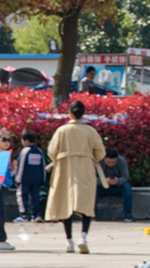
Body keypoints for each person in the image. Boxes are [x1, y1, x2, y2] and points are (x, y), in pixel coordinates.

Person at [45, 99, 106, 254]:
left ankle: (69, 241)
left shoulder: (62, 130)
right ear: (83, 113)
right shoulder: (90, 131)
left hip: (65, 168)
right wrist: (89, 157)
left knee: (66, 203)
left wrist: (58, 160)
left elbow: (52, 151)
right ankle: (83, 237)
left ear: (70, 113)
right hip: (85, 167)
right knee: (86, 202)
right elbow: (100, 152)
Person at [15, 131, 46, 222]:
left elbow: (21, 166)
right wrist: (42, 181)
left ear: (26, 140)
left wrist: (18, 180)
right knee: (35, 197)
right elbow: (42, 167)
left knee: (22, 196)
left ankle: (24, 215)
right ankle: (34, 215)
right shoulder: (39, 151)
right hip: (37, 179)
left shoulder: (25, 151)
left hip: (25, 179)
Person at [97, 149, 134, 222]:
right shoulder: (98, 162)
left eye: (114, 162)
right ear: (104, 158)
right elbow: (91, 178)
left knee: (127, 187)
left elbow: (125, 177)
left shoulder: (122, 161)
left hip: (117, 186)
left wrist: (118, 181)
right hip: (101, 186)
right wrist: (103, 181)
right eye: (108, 162)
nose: (111, 164)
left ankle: (128, 215)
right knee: (92, 189)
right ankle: (92, 215)